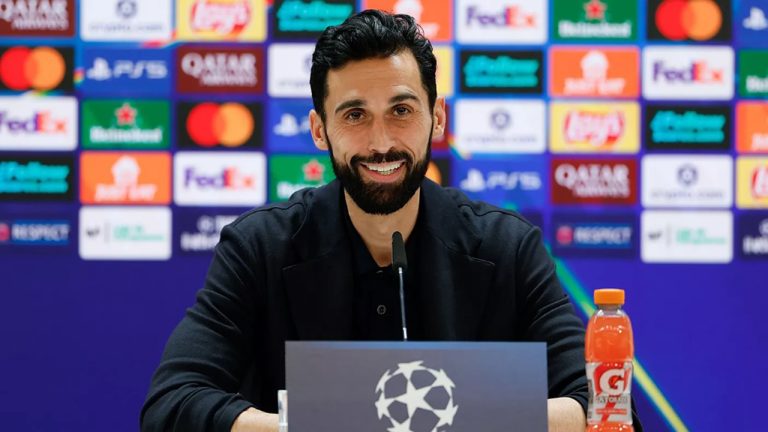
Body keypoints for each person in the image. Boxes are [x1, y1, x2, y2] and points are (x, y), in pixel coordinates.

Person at [142, 10, 638, 432]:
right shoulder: (260, 246)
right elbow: (171, 405)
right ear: (319, 129)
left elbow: (607, 408)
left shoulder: (507, 248)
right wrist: (321, 425)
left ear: (436, 118)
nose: (381, 143)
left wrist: (439, 420)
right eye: (354, 115)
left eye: (401, 110)